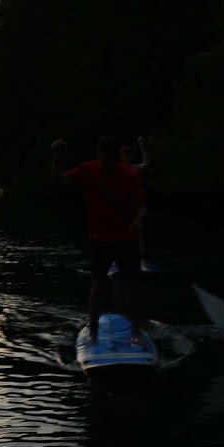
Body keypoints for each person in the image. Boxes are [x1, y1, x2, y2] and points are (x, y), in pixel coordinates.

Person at [51, 134, 147, 344]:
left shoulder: (128, 173)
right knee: (98, 283)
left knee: (131, 284)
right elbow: (59, 182)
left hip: (126, 237)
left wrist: (138, 218)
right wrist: (57, 159)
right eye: (103, 159)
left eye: (110, 160)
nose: (106, 164)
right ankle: (93, 330)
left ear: (116, 157)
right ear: (98, 155)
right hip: (99, 238)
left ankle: (136, 331)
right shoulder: (88, 169)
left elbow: (141, 205)